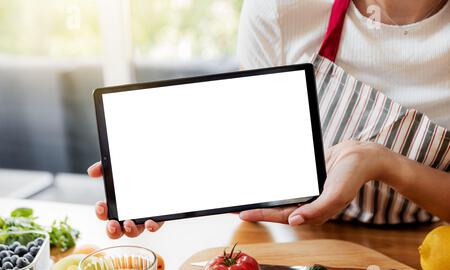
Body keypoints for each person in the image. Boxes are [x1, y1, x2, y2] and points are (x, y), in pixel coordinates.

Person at [88, 0, 450, 239]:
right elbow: (251, 149)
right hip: (299, 243)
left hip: (434, 249)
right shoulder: (281, 9)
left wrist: (388, 165)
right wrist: (173, 174)